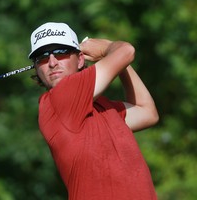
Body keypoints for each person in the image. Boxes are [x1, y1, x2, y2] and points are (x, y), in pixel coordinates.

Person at [28, 22, 159, 200]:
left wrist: (119, 61)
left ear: (80, 59)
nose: (52, 63)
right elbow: (127, 51)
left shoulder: (101, 108)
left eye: (61, 53)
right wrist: (107, 47)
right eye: (42, 57)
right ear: (37, 68)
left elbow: (147, 113)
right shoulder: (58, 99)